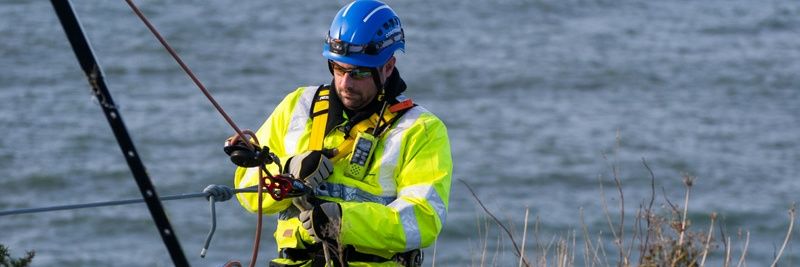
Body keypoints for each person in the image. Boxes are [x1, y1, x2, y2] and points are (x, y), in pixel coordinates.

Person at [210, 1, 452, 266]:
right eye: (338, 69)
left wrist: (342, 221)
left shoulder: (421, 130)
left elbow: (423, 220)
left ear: (388, 66)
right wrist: (289, 172)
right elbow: (248, 195)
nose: (345, 83)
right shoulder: (298, 106)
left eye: (358, 73)